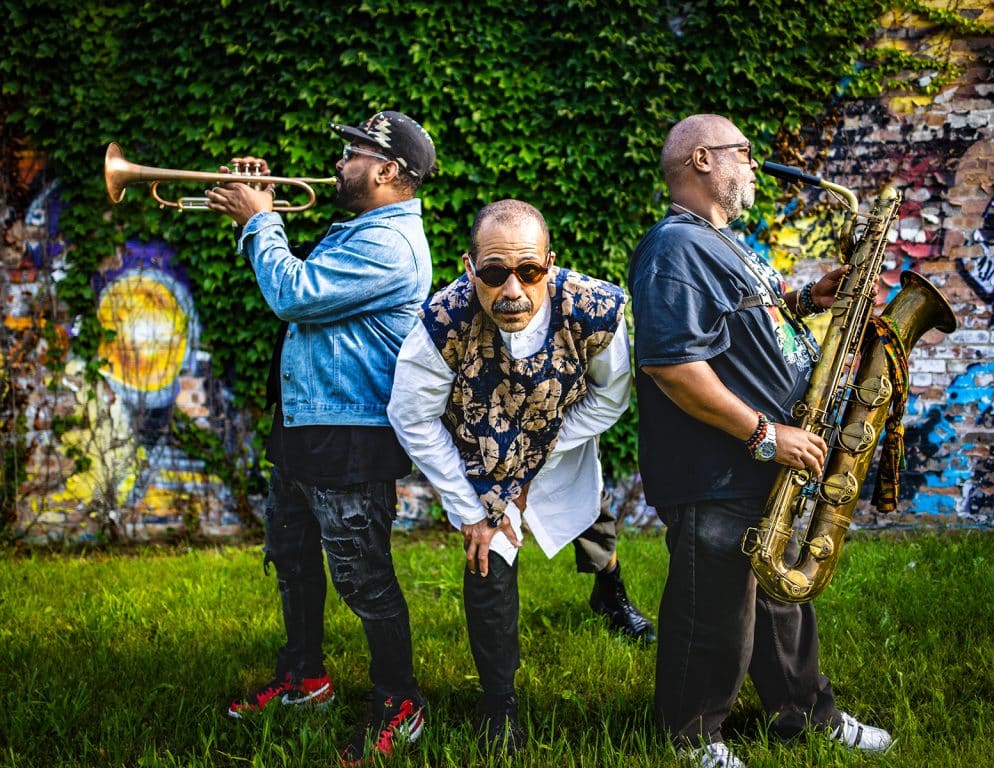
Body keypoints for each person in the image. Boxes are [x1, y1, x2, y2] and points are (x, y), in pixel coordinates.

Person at [628, 114, 894, 768]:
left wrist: (806, 298)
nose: (753, 166)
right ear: (699, 160)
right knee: (710, 609)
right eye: (742, 154)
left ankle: (804, 714)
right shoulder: (674, 247)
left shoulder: (723, 242)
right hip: (718, 465)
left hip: (763, 466)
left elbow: (743, 327)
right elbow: (670, 364)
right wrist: (766, 433)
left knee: (781, 598)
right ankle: (691, 737)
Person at [205, 110, 436, 765]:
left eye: (353, 153)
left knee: (364, 581)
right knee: (295, 565)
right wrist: (257, 213)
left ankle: (401, 701)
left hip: (351, 439)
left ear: (389, 171)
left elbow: (294, 294)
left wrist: (260, 220)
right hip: (306, 428)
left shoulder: (389, 246)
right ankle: (303, 678)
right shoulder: (359, 231)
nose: (339, 162)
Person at [386, 198, 650, 753]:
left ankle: (610, 593)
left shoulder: (593, 309)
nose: (512, 290)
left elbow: (612, 395)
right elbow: (410, 414)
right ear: (469, 267)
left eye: (529, 272)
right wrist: (471, 506)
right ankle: (499, 702)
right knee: (488, 557)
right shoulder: (442, 322)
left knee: (589, 512)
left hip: (562, 435)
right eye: (493, 272)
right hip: (480, 455)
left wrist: (542, 461)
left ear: (549, 265)